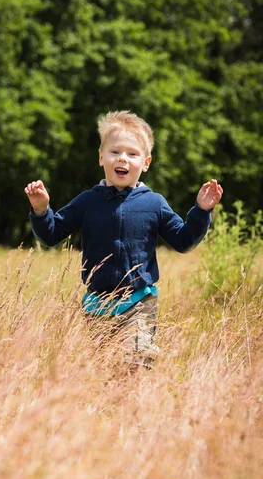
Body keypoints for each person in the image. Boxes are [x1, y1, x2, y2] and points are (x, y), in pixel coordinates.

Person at [24, 111, 223, 370]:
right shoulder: (88, 201)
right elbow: (51, 235)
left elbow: (184, 241)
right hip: (97, 304)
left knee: (135, 364)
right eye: (115, 152)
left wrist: (201, 211)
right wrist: (41, 211)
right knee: (104, 369)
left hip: (138, 301)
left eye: (132, 154)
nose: (123, 159)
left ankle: (136, 402)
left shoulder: (154, 203)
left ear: (146, 162)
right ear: (101, 157)